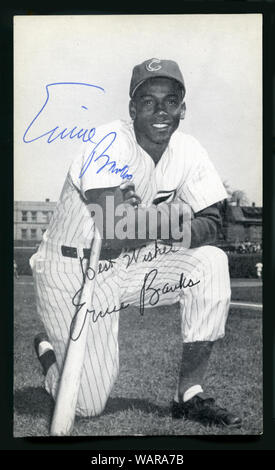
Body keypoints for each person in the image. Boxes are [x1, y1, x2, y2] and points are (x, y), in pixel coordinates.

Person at [31, 58, 241, 430]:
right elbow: (113, 225)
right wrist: (177, 216)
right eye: (148, 101)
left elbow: (214, 224)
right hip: (69, 270)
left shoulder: (189, 151)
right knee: (88, 405)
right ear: (132, 108)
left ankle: (188, 395)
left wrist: (149, 223)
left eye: (170, 101)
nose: (161, 111)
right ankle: (49, 353)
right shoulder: (109, 140)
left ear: (182, 107)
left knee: (210, 262)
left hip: (126, 267)